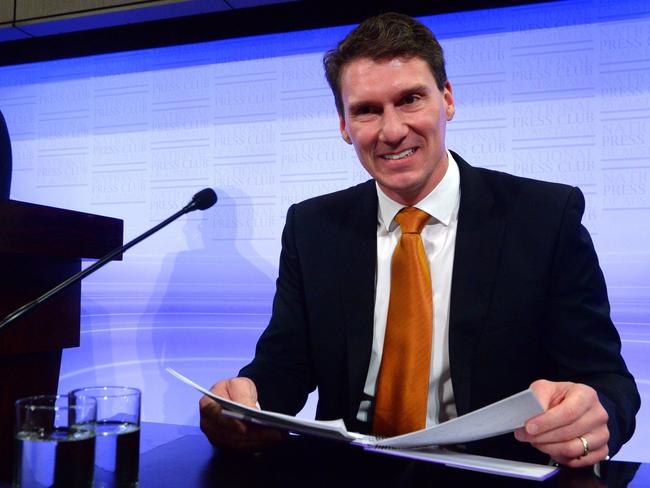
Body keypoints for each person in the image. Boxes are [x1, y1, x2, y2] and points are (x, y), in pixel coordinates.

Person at [200, 13, 639, 466]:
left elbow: (606, 380)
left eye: (410, 99)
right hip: (351, 474)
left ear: (447, 100)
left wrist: (596, 414)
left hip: (495, 476)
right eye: (367, 110)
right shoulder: (313, 227)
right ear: (344, 126)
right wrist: (242, 400)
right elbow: (284, 367)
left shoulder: (544, 218)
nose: (392, 131)